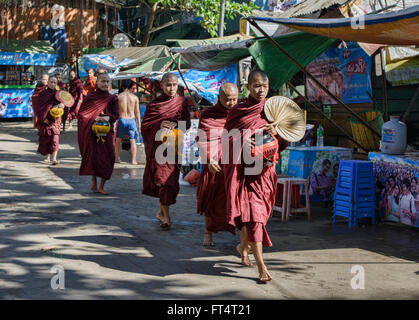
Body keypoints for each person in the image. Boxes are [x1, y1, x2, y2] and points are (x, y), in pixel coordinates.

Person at [222, 70, 288, 282]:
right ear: (248, 87)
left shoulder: (273, 110)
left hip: (264, 174)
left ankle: (243, 246)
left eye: (265, 87)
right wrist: (242, 139)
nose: (261, 90)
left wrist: (276, 131)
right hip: (245, 173)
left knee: (258, 218)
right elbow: (226, 140)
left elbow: (287, 139)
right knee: (255, 219)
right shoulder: (238, 110)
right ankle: (261, 266)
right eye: (257, 86)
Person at [141, 72, 191, 229]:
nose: (171, 88)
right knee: (163, 181)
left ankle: (160, 211)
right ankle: (166, 217)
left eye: (175, 85)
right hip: (159, 150)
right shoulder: (154, 105)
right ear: (161, 85)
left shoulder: (183, 102)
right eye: (168, 85)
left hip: (174, 147)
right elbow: (145, 126)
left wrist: (176, 125)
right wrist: (159, 125)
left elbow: (187, 124)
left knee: (171, 182)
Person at [196, 83, 238, 247]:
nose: (231, 103)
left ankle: (243, 238)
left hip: (235, 163)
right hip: (214, 163)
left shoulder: (239, 112)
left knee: (236, 197)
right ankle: (208, 232)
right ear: (219, 97)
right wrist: (209, 159)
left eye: (234, 99)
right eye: (228, 99)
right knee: (210, 196)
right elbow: (202, 139)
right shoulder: (209, 115)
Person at [78, 72, 119, 195]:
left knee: (108, 158)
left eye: (107, 81)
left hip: (107, 133)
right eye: (103, 81)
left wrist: (108, 118)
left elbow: (116, 114)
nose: (105, 84)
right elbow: (82, 114)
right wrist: (93, 117)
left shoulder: (113, 98)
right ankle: (94, 179)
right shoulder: (91, 97)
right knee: (94, 158)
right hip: (93, 133)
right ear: (97, 82)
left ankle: (102, 186)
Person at [35, 76, 64, 165]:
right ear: (48, 83)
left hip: (55, 120)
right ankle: (47, 157)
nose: (53, 84)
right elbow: (39, 107)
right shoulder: (42, 94)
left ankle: (54, 158)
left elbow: (65, 102)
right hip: (46, 119)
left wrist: (62, 105)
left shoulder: (58, 94)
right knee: (47, 139)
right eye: (51, 82)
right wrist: (43, 118)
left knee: (55, 139)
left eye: (55, 82)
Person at [115, 79, 141, 165]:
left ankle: (117, 158)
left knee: (118, 140)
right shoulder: (135, 98)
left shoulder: (118, 97)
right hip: (131, 121)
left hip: (122, 119)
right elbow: (137, 112)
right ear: (131, 87)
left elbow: (116, 111)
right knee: (132, 140)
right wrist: (139, 125)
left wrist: (115, 124)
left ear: (122, 87)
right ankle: (133, 160)